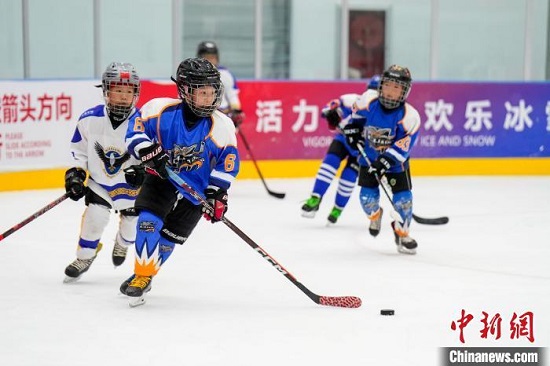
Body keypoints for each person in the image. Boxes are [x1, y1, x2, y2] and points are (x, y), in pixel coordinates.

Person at [121, 57, 240, 306]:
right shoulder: (159, 110)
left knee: (169, 238)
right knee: (147, 222)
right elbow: (135, 132)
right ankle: (142, 276)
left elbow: (227, 164)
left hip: (195, 189)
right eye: (202, 93)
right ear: (185, 90)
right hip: (162, 178)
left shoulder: (222, 125)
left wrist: (217, 195)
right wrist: (147, 151)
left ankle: (147, 272)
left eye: (212, 93)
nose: (209, 99)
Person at [63, 62, 141, 282]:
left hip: (132, 190)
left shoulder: (144, 122)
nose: (124, 96)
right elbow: (78, 150)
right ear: (106, 90)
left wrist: (144, 170)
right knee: (94, 219)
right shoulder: (89, 119)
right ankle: (85, 256)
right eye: (118, 89)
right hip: (101, 184)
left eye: (129, 91)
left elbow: (152, 154)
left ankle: (122, 243)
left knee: (130, 228)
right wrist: (77, 173)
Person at [342, 65, 420, 254]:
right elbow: (356, 119)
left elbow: (403, 147)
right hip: (368, 160)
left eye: (397, 88)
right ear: (381, 85)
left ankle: (402, 233)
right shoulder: (367, 101)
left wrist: (384, 162)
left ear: (404, 91)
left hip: (395, 166)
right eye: (388, 86)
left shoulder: (409, 117)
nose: (391, 92)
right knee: (367, 199)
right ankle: (376, 216)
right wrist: (353, 130)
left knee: (403, 202)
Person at [301, 75, 380, 225]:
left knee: (348, 178)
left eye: (376, 92)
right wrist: (330, 113)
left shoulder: (382, 115)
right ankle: (316, 197)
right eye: (371, 90)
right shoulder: (354, 100)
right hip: (343, 140)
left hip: (360, 149)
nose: (372, 95)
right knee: (329, 164)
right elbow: (329, 108)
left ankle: (338, 208)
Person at [196, 41, 244, 128]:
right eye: (206, 57)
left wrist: (236, 112)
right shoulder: (193, 74)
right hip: (199, 117)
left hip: (222, 116)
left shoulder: (225, 74)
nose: (210, 60)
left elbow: (232, 96)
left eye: (212, 57)